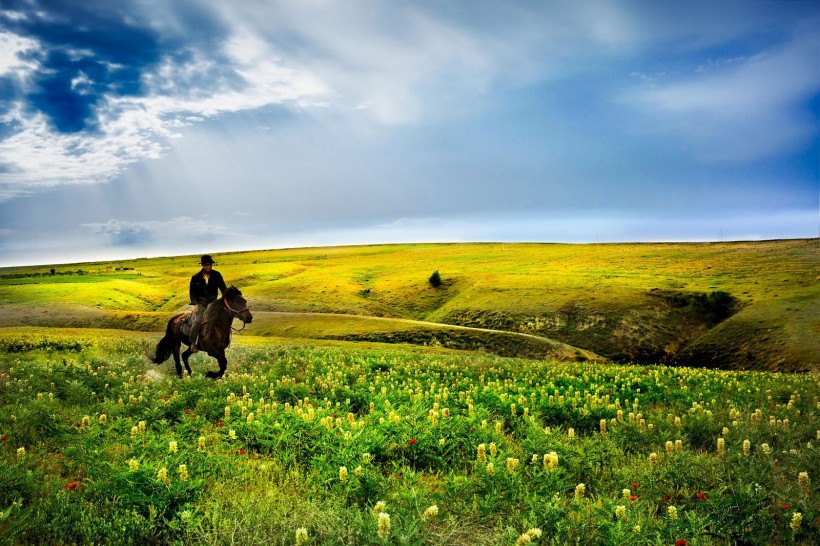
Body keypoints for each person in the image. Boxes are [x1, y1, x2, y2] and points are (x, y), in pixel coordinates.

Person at [188, 254, 227, 352]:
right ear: (203, 265)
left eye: (210, 264)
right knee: (197, 322)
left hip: (214, 303)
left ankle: (224, 340)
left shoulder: (217, 275)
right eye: (206, 264)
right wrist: (195, 304)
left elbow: (223, 288)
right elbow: (192, 293)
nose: (209, 266)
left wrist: (226, 299)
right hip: (201, 303)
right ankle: (193, 343)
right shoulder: (195, 277)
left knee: (223, 319)